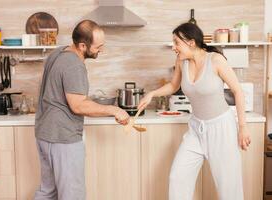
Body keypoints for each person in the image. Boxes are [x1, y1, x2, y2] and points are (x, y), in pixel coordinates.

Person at [138, 22, 251, 200]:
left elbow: (237, 91)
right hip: (196, 129)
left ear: (190, 42)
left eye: (177, 43)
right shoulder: (181, 61)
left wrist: (242, 127)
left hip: (221, 128)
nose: (174, 47)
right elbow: (174, 85)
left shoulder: (215, 60)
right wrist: (152, 93)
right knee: (178, 177)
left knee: (228, 186)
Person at [34, 20, 129, 200]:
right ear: (83, 45)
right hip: (63, 138)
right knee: (72, 195)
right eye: (98, 46)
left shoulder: (58, 53)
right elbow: (78, 105)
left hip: (45, 134)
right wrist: (114, 110)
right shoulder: (74, 65)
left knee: (48, 192)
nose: (102, 50)